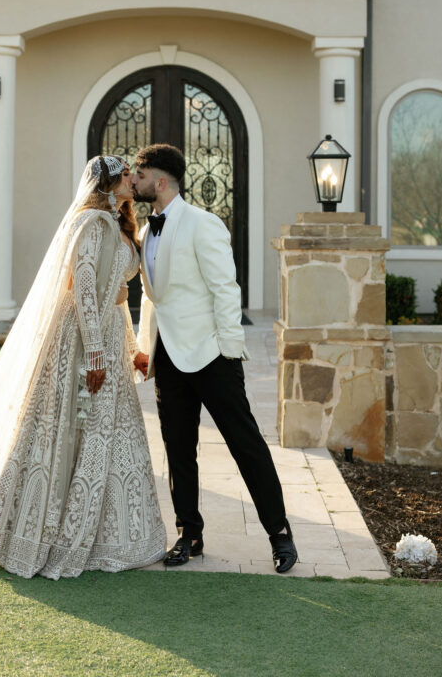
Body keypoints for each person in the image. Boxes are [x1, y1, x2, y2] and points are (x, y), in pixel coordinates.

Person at [0, 155, 166, 579]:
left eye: (133, 174)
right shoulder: (91, 224)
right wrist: (94, 353)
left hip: (108, 336)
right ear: (109, 183)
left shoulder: (114, 223)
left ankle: (107, 533)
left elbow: (115, 295)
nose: (133, 179)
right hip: (80, 339)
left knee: (107, 432)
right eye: (126, 174)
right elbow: (83, 291)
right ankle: (47, 531)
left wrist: (131, 348)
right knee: (68, 426)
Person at [132, 143, 297, 573]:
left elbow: (227, 289)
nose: (134, 179)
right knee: (179, 450)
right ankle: (190, 533)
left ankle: (279, 534)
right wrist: (145, 348)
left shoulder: (203, 224)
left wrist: (228, 349)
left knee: (246, 445)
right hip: (168, 359)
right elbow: (155, 299)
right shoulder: (147, 231)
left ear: (161, 179)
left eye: (140, 172)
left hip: (212, 355)